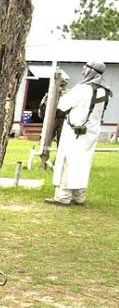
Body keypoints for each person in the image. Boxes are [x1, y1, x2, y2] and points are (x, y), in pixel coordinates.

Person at [46, 61, 112, 206]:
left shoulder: (82, 89)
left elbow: (62, 105)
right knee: (83, 163)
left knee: (68, 161)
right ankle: (79, 196)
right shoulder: (105, 91)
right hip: (91, 133)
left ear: (90, 72)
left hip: (75, 132)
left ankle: (63, 196)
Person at [37, 75, 68, 148]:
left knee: (60, 141)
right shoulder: (51, 93)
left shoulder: (56, 93)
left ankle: (48, 154)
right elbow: (44, 105)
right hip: (54, 118)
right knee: (47, 139)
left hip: (60, 118)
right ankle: (44, 153)